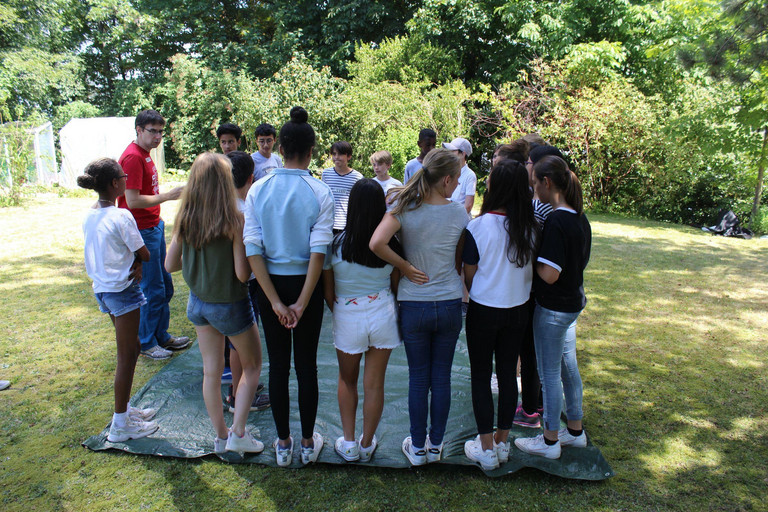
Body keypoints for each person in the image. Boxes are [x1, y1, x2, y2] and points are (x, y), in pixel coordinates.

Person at [244, 106, 334, 467]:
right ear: (311, 152)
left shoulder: (258, 190)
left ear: (280, 149)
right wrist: (302, 302)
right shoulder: (319, 191)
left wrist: (276, 303)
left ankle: (283, 443)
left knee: (279, 366)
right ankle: (307, 442)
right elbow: (318, 253)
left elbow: (253, 250)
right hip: (305, 287)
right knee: (306, 365)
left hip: (270, 287)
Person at [370, 148, 468, 466]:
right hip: (449, 303)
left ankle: (417, 447)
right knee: (441, 378)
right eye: (457, 179)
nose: (458, 185)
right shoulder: (459, 213)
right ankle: (435, 445)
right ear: (447, 180)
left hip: (414, 304)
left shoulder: (405, 207)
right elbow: (461, 257)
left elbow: (376, 243)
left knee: (418, 378)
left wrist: (405, 267)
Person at [165, 152, 265, 455]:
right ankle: (239, 433)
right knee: (252, 366)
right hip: (231, 304)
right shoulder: (235, 220)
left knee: (211, 372)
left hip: (198, 304)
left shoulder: (185, 218)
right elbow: (242, 274)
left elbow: (170, 264)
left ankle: (221, 437)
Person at [461, 160, 538, 470]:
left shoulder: (477, 227)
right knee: (508, 374)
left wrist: (481, 288)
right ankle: (502, 441)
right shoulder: (532, 228)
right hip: (518, 311)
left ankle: (486, 447)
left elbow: (469, 272)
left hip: (483, 310)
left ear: (496, 187)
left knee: (481, 375)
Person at [514, 155, 592, 460]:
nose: (534, 190)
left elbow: (550, 273)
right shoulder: (579, 217)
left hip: (553, 309)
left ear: (547, 183)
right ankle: (575, 431)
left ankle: (549, 442)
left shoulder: (558, 221)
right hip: (571, 305)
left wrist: (528, 261)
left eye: (535, 183)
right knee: (568, 369)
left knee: (549, 375)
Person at [77, 158, 159, 443]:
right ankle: (120, 425)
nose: (127, 180)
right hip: (121, 290)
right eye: (123, 177)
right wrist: (138, 260)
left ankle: (125, 410)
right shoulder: (121, 216)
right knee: (125, 356)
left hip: (102, 289)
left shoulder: (91, 214)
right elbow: (145, 252)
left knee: (133, 347)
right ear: (115, 183)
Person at [322, 179, 402, 463]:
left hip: (347, 315)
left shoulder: (335, 245)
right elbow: (396, 287)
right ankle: (367, 443)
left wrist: (344, 310)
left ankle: (349, 442)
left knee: (347, 380)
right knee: (375, 384)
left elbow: (329, 293)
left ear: (351, 206)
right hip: (383, 314)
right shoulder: (391, 244)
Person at [118, 109, 189, 360]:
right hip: (141, 230)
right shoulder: (133, 157)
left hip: (153, 226)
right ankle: (147, 343)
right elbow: (132, 200)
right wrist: (168, 196)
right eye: (152, 131)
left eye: (161, 132)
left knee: (164, 286)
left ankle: (161, 335)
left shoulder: (145, 154)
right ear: (139, 130)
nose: (158, 136)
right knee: (151, 288)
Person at [513, 144, 566, 429]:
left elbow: (544, 263)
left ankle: (532, 410)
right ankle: (540, 405)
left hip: (539, 294)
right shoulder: (564, 211)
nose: (526, 167)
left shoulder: (547, 211)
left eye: (529, 162)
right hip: (551, 297)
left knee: (533, 353)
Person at [223, 151, 270, 413]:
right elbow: (248, 260)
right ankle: (239, 395)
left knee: (236, 343)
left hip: (225, 283)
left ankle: (239, 387)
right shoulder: (242, 212)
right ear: (251, 178)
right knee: (242, 345)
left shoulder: (218, 206)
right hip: (244, 285)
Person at [322, 141, 363, 233]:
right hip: (327, 223)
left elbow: (358, 203)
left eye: (340, 154)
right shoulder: (326, 174)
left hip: (347, 225)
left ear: (349, 156)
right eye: (334, 154)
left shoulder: (357, 177)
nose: (336, 157)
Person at [442, 137, 476, 216]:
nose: (449, 154)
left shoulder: (470, 175)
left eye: (453, 151)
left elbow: (468, 206)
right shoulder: (446, 171)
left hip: (458, 220)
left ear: (463, 154)